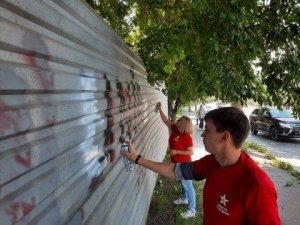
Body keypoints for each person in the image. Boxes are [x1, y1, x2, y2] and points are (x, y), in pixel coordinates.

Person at [123, 107, 281, 225]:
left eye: (207, 130)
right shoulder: (212, 162)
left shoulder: (258, 185)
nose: (202, 135)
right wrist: (137, 159)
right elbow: (174, 170)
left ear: (224, 137)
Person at [155, 102, 196, 218]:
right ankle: (184, 199)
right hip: (177, 162)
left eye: (179, 121)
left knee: (188, 186)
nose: (176, 122)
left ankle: (192, 210)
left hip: (185, 164)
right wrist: (160, 110)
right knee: (182, 182)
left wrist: (177, 152)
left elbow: (191, 152)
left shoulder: (186, 137)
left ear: (183, 125)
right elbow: (166, 121)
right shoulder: (175, 129)